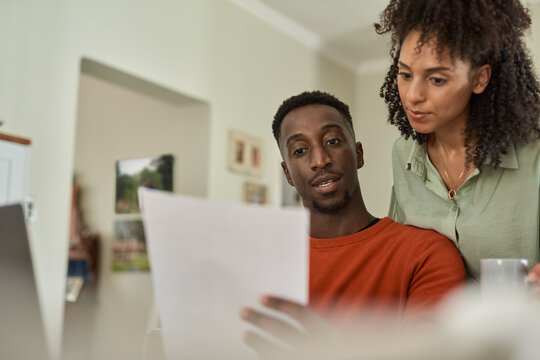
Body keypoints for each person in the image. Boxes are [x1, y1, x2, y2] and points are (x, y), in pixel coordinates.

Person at [240, 91, 466, 358]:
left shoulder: (426, 254)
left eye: (333, 141)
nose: (320, 160)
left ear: (358, 154)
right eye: (300, 150)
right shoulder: (262, 264)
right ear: (288, 173)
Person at [375, 0, 540, 283]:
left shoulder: (534, 153)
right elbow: (403, 254)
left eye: (437, 79)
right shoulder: (403, 154)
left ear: (479, 79)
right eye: (405, 74)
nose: (413, 95)